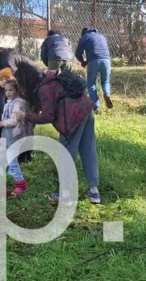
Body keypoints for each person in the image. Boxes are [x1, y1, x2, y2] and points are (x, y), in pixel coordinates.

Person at [22, 68, 100, 204]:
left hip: (72, 117)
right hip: (87, 109)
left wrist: (27, 116)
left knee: (66, 154)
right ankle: (94, 192)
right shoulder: (53, 80)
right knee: (89, 150)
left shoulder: (44, 89)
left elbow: (48, 115)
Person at [75, 28, 114, 110]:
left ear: (83, 33)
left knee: (91, 83)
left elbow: (78, 53)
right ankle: (107, 94)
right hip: (107, 60)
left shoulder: (85, 37)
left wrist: (83, 61)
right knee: (105, 81)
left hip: (93, 61)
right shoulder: (101, 36)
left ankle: (95, 105)